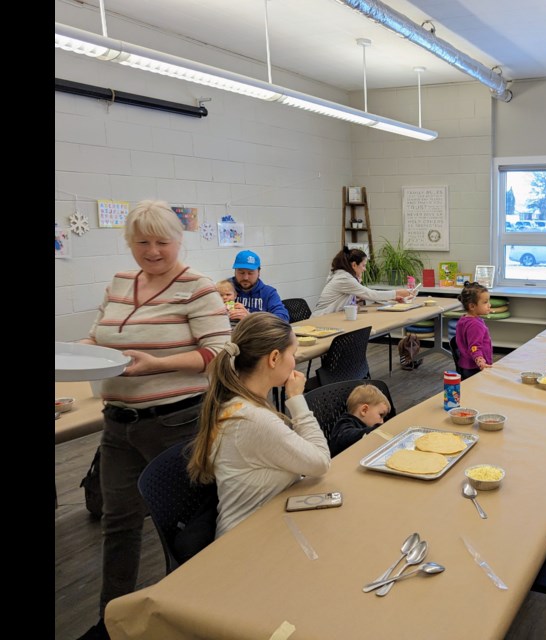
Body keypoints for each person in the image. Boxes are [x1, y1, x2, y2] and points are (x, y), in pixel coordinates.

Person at [77, 200, 232, 640]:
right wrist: (74, 352)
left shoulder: (197, 287)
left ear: (179, 241)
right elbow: (99, 337)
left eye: (162, 242)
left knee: (184, 524)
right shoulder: (121, 282)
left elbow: (222, 353)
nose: (153, 251)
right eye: (142, 242)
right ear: (129, 243)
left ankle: (192, 614)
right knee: (119, 521)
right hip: (118, 423)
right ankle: (111, 620)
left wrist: (157, 365)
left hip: (176, 422)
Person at [187, 312, 332, 538]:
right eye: (292, 354)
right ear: (274, 358)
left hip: (267, 521)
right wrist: (296, 399)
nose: (295, 361)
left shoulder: (237, 401)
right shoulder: (253, 419)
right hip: (248, 539)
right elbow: (321, 462)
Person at [313, 246, 411, 316]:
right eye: (363, 265)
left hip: (332, 317)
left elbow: (364, 295)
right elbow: (370, 294)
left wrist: (392, 298)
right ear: (354, 265)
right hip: (321, 319)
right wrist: (397, 292)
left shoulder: (343, 275)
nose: (365, 269)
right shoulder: (344, 278)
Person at [327, 384, 392, 457]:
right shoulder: (343, 425)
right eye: (381, 415)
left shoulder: (364, 424)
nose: (382, 421)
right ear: (364, 410)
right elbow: (348, 437)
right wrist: (377, 429)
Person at [229, 250, 290, 322]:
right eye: (241, 273)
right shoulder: (225, 289)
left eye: (250, 273)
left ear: (258, 272)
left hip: (258, 332)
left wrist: (250, 318)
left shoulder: (268, 293)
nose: (245, 277)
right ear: (235, 272)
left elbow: (283, 318)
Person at [455, 281, 494, 380]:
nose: (489, 305)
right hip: (474, 367)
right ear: (472, 306)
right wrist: (480, 361)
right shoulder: (475, 325)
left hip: (466, 364)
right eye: (485, 302)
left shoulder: (464, 319)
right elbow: (474, 346)